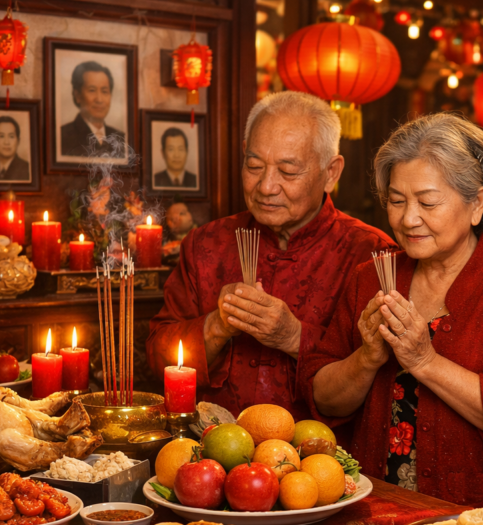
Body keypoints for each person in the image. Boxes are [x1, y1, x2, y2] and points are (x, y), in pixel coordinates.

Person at [301, 113, 483, 516]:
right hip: (381, 511)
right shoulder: (370, 277)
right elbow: (323, 397)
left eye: (427, 202)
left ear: (477, 203)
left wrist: (425, 361)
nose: (408, 219)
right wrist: (367, 359)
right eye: (396, 200)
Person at [146, 91, 395, 419]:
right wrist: (217, 325)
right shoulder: (206, 244)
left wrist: (294, 336)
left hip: (322, 461)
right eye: (254, 165)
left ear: (331, 172)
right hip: (209, 453)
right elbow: (155, 358)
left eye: (288, 172)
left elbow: (381, 373)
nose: (265, 186)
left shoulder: (372, 254)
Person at [60, 61, 125, 157]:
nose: (99, 99)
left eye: (104, 91)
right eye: (92, 90)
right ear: (77, 95)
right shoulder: (62, 137)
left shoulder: (122, 138)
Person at [0, 116, 30, 182]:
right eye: (1, 136)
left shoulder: (27, 169)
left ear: (18, 140)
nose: (6, 142)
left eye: (11, 136)